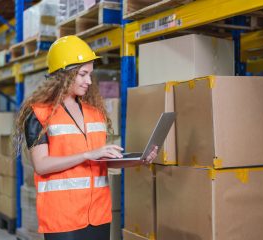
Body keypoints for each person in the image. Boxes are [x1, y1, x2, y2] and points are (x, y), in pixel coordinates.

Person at [13, 35, 158, 240]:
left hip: (98, 214)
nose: (89, 81)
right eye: (82, 74)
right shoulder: (39, 115)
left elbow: (99, 162)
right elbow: (42, 165)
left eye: (90, 74)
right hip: (63, 217)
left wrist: (138, 160)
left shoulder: (95, 113)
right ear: (64, 74)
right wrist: (89, 154)